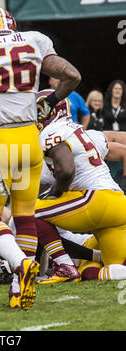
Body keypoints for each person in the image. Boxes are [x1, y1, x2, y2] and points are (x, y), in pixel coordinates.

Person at [0, 8, 81, 310]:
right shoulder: (34, 40)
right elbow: (72, 75)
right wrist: (52, 99)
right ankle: (18, 288)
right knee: (24, 215)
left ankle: (21, 265)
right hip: (30, 139)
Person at [34, 89, 126, 284]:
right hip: (118, 205)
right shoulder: (83, 132)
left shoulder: (51, 132)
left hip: (95, 200)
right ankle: (81, 266)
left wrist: (55, 192)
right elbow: (112, 147)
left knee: (31, 212)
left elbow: (66, 170)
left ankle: (63, 266)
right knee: (101, 270)